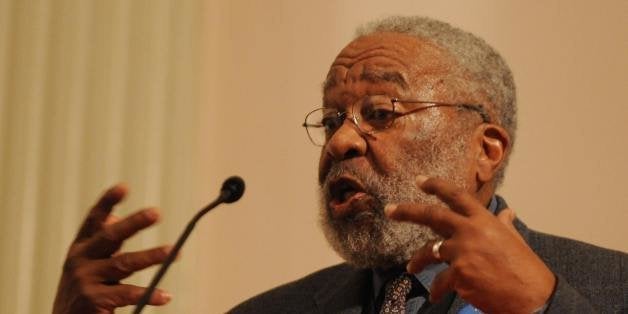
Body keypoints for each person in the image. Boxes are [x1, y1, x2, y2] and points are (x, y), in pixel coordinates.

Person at [53, 16, 626, 314]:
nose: (341, 141)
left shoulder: (613, 288)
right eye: (330, 121)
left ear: (485, 149)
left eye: (380, 111)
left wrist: (542, 308)